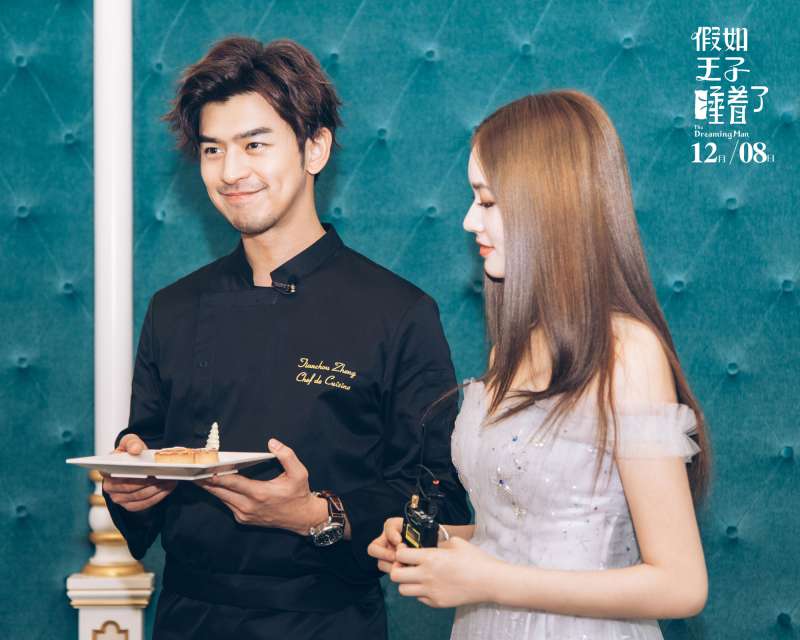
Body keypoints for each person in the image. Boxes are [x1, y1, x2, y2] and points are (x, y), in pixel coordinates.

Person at [101, 36, 470, 640]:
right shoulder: (173, 308)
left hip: (328, 620)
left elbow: (440, 499)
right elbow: (149, 448)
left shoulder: (398, 311)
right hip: (189, 617)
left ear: (314, 148)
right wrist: (132, 484)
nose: (230, 172)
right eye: (213, 149)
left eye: (255, 144)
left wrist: (318, 514)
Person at [368, 90, 711, 639]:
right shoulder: (512, 347)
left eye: (486, 201)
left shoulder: (627, 351)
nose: (468, 221)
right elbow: (523, 534)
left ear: (547, 206)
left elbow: (681, 585)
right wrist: (443, 544)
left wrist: (490, 581)